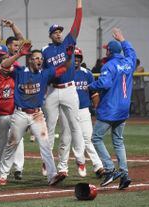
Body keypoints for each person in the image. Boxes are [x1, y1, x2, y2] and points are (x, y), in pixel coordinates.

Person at [0, 42, 74, 186]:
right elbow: (4, 66)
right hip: (20, 114)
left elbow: (64, 68)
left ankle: (52, 176)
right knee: (12, 143)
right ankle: (3, 174)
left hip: (37, 115)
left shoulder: (45, 73)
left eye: (41, 58)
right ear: (30, 60)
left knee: (45, 144)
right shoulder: (20, 72)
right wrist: (19, 54)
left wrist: (69, 57)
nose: (40, 60)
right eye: (36, 58)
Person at [42, 0, 86, 178]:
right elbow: (44, 73)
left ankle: (81, 161)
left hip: (69, 89)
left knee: (75, 125)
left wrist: (79, 3)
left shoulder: (69, 41)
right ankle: (47, 161)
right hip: (52, 91)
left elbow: (77, 21)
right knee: (49, 127)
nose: (58, 34)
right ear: (50, 35)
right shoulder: (45, 51)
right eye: (55, 32)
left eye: (60, 31)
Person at [89, 28, 137, 190]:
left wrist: (91, 86)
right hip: (123, 108)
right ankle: (124, 174)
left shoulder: (108, 66)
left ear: (110, 51)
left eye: (107, 49)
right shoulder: (129, 63)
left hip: (110, 108)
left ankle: (109, 170)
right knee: (118, 141)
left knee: (96, 138)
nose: (106, 52)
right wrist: (123, 39)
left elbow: (104, 84)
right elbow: (132, 53)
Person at [58, 47, 104, 177]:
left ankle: (98, 166)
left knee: (88, 139)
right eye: (74, 58)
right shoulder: (64, 73)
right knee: (65, 139)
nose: (76, 60)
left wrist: (96, 107)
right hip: (66, 111)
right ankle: (62, 168)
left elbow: (94, 93)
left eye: (78, 58)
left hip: (83, 109)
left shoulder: (87, 73)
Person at [0, 54, 24, 180]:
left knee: (18, 140)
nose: (9, 67)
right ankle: (2, 166)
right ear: (0, 66)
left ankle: (18, 168)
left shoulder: (16, 78)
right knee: (1, 141)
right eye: (6, 64)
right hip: (1, 116)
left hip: (16, 113)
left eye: (10, 65)